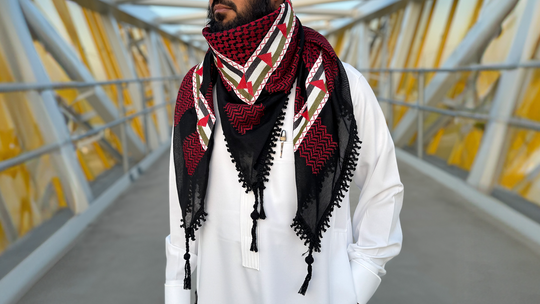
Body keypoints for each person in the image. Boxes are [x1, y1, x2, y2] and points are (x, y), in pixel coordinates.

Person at [165, 0, 404, 303]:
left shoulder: (337, 83)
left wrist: (355, 287)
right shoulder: (196, 91)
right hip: (219, 291)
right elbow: (180, 202)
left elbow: (382, 188)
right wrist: (177, 291)